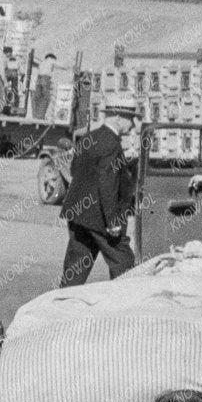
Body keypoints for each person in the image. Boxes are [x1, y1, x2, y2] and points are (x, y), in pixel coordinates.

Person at [58, 93, 140, 284]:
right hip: (101, 219)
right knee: (124, 263)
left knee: (76, 268)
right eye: (130, 119)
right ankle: (121, 308)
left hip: (79, 215)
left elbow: (76, 169)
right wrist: (112, 222)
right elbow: (107, 184)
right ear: (118, 117)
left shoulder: (91, 137)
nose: (133, 125)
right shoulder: (111, 144)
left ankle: (61, 305)